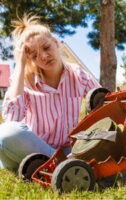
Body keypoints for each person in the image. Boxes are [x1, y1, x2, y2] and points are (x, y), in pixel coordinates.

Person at [0, 14, 101, 171]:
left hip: (68, 150)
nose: (44, 56)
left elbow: (103, 105)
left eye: (46, 48)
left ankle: (58, 166)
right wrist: (20, 64)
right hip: (31, 150)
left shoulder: (78, 75)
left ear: (55, 42)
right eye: (35, 55)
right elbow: (11, 119)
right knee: (6, 133)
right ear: (30, 60)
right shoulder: (24, 81)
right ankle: (66, 166)